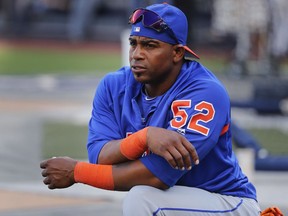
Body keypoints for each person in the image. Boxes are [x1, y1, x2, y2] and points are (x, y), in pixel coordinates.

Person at [40, 3, 261, 215]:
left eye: (150, 45)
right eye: (133, 43)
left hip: (225, 202)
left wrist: (77, 172)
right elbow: (100, 156)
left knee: (142, 198)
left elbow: (158, 175)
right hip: (173, 201)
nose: (137, 54)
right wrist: (143, 138)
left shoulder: (204, 92)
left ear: (177, 53)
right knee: (145, 197)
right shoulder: (113, 86)